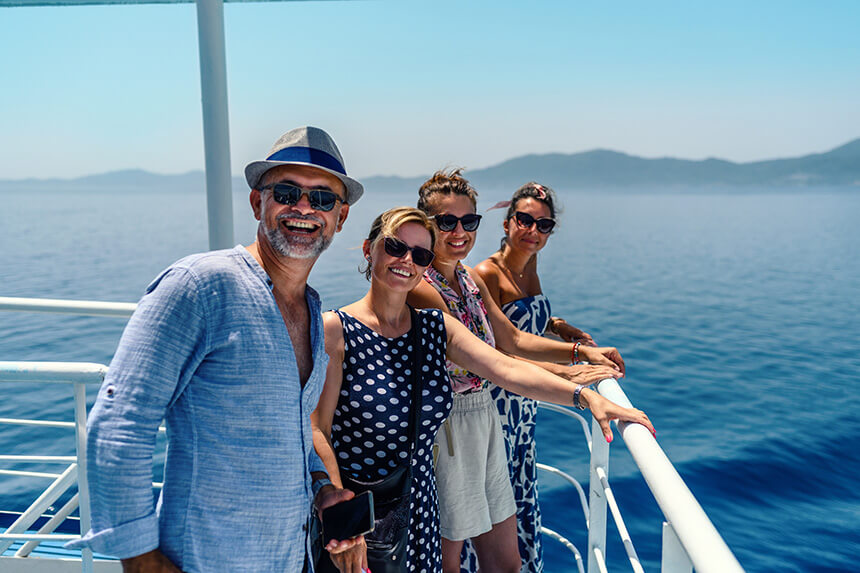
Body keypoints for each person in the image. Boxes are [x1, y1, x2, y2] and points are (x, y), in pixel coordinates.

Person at [68, 126, 365, 572]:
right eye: (287, 192)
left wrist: (322, 488)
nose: (304, 207)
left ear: (339, 218)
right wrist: (140, 560)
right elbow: (120, 421)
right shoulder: (199, 286)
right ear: (256, 202)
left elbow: (291, 431)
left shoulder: (312, 307)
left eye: (322, 198)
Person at [311, 207, 654, 573]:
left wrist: (586, 397)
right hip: (361, 520)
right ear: (369, 249)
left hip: (420, 509)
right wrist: (341, 521)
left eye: (421, 255)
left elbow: (504, 367)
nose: (406, 260)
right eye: (395, 247)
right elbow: (319, 430)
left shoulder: (435, 327)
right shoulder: (337, 330)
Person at [407, 169, 635, 573]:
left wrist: (581, 352)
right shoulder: (424, 288)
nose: (460, 231)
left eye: (468, 221)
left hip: (487, 422)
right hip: (451, 429)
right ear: (427, 225)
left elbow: (512, 339)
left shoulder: (464, 279)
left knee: (507, 562)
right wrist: (577, 389)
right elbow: (493, 363)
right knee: (451, 562)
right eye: (447, 222)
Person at [474, 182, 592, 572]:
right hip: (498, 406)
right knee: (494, 508)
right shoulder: (486, 274)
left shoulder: (529, 266)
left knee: (521, 497)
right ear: (507, 223)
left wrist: (558, 326)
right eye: (524, 220)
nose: (533, 231)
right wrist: (573, 366)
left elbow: (528, 315)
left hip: (524, 410)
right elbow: (506, 346)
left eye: (543, 225)